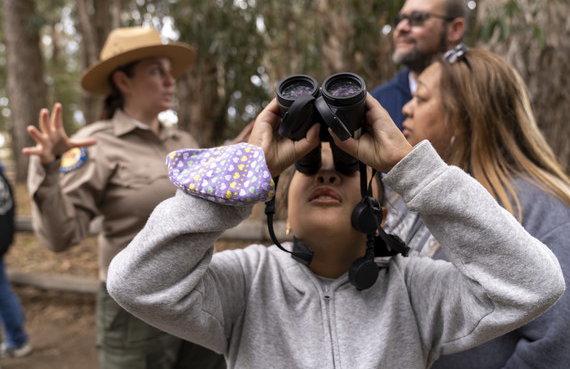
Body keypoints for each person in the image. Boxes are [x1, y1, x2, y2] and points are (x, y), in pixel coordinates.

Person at [105, 88, 564, 368]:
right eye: (306, 168)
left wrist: (411, 169)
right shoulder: (245, 283)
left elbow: (534, 285)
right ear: (281, 207)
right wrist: (239, 180)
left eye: (348, 170)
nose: (327, 174)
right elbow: (135, 284)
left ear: (380, 212)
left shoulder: (416, 289)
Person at [22, 26, 225, 368]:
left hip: (196, 294)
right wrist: (48, 169)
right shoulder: (94, 145)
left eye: (169, 72)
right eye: (156, 71)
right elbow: (60, 237)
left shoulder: (183, 142)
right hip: (132, 310)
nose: (169, 80)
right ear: (123, 82)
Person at [386, 45, 570, 368]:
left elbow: (557, 343)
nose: (406, 109)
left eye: (422, 98)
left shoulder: (543, 211)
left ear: (462, 116)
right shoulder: (410, 197)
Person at [370, 0, 469, 130]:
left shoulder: (480, 96)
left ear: (455, 29)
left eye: (418, 18)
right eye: (399, 20)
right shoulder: (378, 103)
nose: (401, 28)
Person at [0, 161, 33, 360]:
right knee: (3, 292)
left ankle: (18, 339)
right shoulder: (3, 178)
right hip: (3, 242)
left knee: (3, 294)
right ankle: (17, 338)